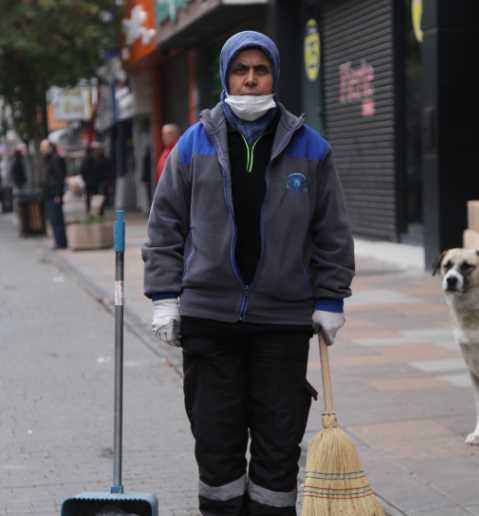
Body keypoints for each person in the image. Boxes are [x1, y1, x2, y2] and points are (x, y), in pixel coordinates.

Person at [143, 31, 354, 516]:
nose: (252, 79)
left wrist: (330, 300)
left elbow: (333, 232)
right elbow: (165, 224)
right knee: (216, 443)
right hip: (209, 319)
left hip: (281, 323)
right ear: (225, 76)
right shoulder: (193, 145)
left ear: (274, 76)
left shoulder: (312, 148)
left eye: (261, 70)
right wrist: (163, 296)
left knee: (279, 446)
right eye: (242, 70)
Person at [40, 139, 67, 249]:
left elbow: (58, 178)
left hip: (54, 194)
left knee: (57, 219)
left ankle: (60, 242)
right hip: (49, 194)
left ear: (49, 148)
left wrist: (58, 194)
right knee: (54, 219)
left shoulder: (55, 159)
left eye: (43, 147)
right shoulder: (47, 159)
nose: (41, 149)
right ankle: (58, 241)